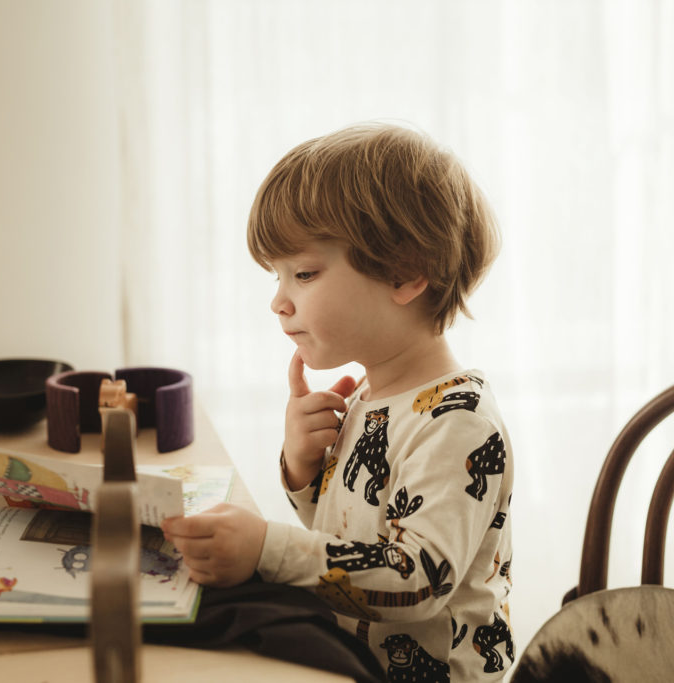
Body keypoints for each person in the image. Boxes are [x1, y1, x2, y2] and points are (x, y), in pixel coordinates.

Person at [162, 122, 514, 681]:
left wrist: (266, 549)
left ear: (404, 273)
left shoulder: (456, 423)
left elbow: (416, 579)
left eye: (303, 273)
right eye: (277, 277)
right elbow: (352, 540)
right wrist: (305, 473)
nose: (279, 302)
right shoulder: (372, 395)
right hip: (349, 660)